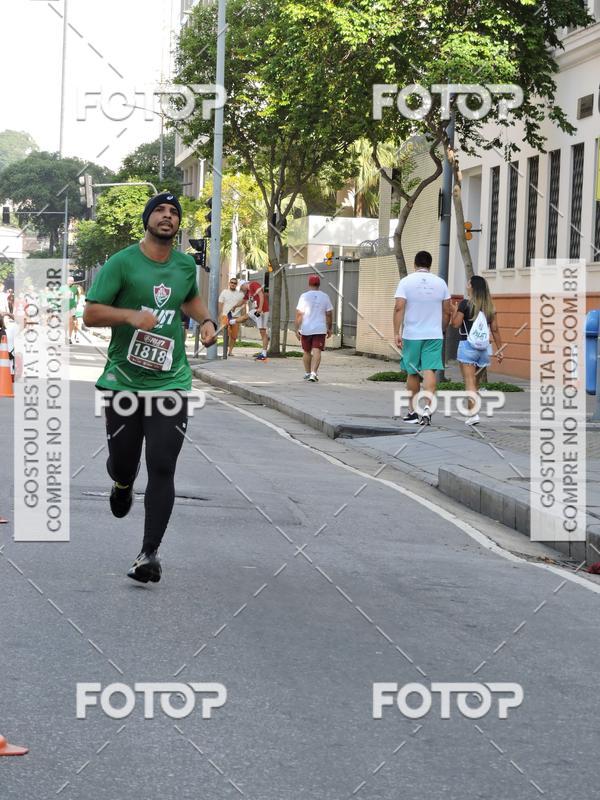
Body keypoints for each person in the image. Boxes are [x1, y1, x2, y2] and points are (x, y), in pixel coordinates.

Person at [83, 191, 217, 584]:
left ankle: (149, 553)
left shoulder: (183, 265)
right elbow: (90, 313)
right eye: (159, 210)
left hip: (170, 381)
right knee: (125, 461)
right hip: (123, 382)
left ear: (178, 225)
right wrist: (129, 316)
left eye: (174, 212)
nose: (167, 216)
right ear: (147, 220)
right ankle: (122, 484)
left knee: (162, 465)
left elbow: (188, 299)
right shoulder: (121, 263)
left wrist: (206, 320)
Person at [393, 250, 451, 426]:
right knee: (430, 370)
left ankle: (412, 412)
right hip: (433, 334)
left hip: (412, 335)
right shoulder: (441, 283)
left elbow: (398, 307)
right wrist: (442, 329)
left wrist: (397, 332)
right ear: (430, 264)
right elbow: (447, 310)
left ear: (415, 264)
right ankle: (427, 409)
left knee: (412, 372)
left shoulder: (406, 282)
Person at [451, 275, 504, 426]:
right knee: (476, 383)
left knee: (469, 381)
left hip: (467, 346)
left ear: (472, 287)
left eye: (468, 283)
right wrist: (500, 349)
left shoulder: (464, 304)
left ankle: (473, 414)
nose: (467, 285)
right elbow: (495, 329)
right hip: (484, 349)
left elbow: (455, 325)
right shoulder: (490, 307)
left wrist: (454, 311)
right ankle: (471, 414)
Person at [295, 274, 333, 382]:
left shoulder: (304, 296)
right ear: (319, 284)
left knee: (306, 351)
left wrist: (297, 328)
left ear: (309, 284)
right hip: (320, 328)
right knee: (317, 351)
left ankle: (307, 373)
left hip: (306, 328)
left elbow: (299, 314)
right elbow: (329, 314)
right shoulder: (325, 296)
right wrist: (329, 328)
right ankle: (313, 373)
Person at [230, 279, 269, 360]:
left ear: (244, 285)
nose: (242, 290)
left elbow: (261, 295)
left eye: (241, 288)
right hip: (256, 310)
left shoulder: (253, 285)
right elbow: (243, 301)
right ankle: (231, 321)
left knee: (262, 332)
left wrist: (260, 308)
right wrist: (235, 306)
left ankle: (264, 354)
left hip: (262, 311)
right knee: (246, 317)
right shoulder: (248, 292)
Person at [218, 276, 245, 356]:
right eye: (232, 282)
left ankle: (230, 351)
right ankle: (224, 351)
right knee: (226, 334)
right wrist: (220, 314)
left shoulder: (240, 294)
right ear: (229, 283)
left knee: (233, 336)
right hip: (225, 316)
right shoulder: (224, 292)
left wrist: (243, 317)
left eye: (235, 283)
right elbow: (220, 304)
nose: (233, 284)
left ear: (236, 285)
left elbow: (243, 305)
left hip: (236, 317)